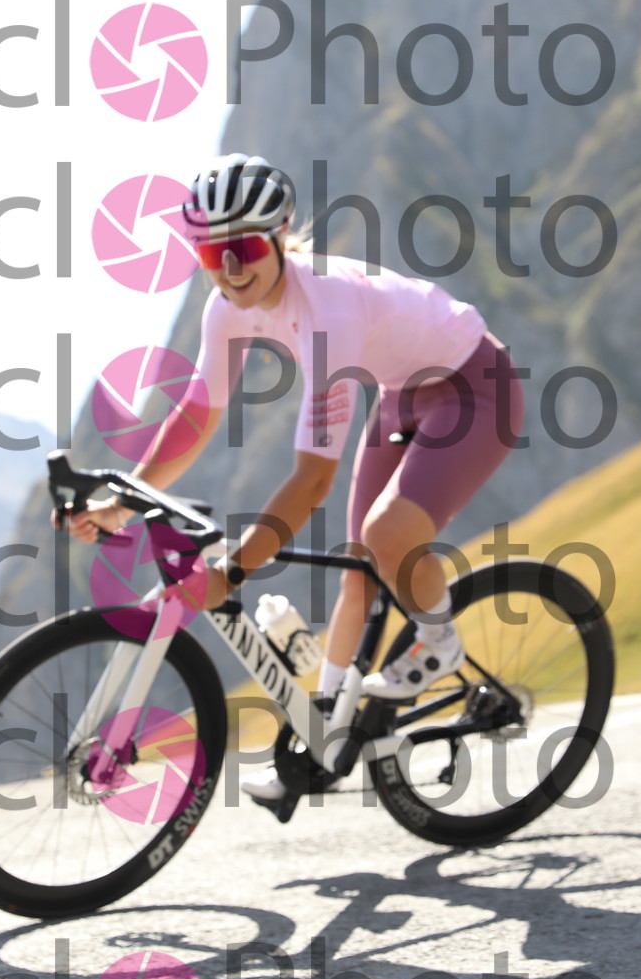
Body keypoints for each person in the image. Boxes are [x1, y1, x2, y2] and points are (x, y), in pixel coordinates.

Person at [56, 153, 523, 802]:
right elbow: (197, 414)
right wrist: (122, 500)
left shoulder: (328, 311)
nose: (232, 269)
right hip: (402, 395)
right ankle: (324, 738)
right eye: (212, 255)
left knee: (388, 534)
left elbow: (310, 482)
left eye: (245, 248)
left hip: (476, 388)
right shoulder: (226, 307)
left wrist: (232, 572)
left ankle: (438, 639)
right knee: (360, 568)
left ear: (278, 236)